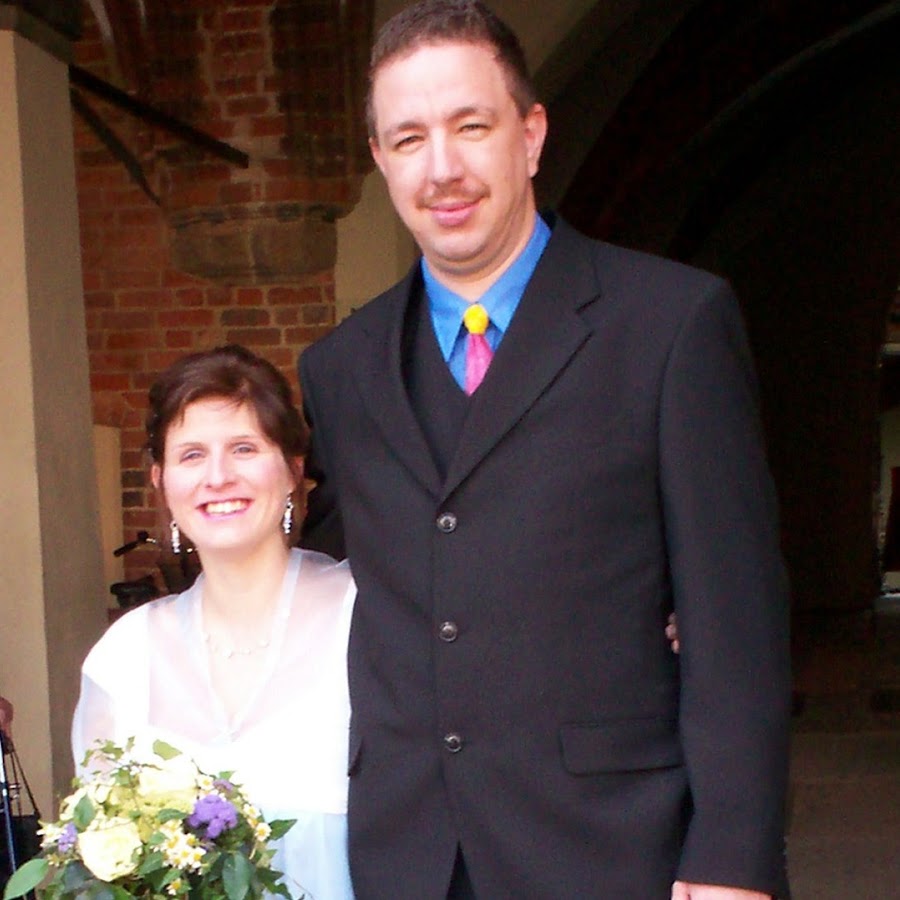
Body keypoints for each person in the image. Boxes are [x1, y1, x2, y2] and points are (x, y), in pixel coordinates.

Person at [298, 2, 792, 898]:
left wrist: (733, 854)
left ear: (529, 136)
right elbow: (334, 580)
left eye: (470, 127)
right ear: (380, 159)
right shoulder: (341, 369)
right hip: (413, 857)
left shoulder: (671, 324)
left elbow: (737, 618)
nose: (441, 169)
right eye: (408, 139)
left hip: (619, 847)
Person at [72, 346, 356, 900]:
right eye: (192, 455)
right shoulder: (124, 658)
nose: (219, 477)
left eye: (244, 448)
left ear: (293, 469)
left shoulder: (365, 619)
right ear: (161, 480)